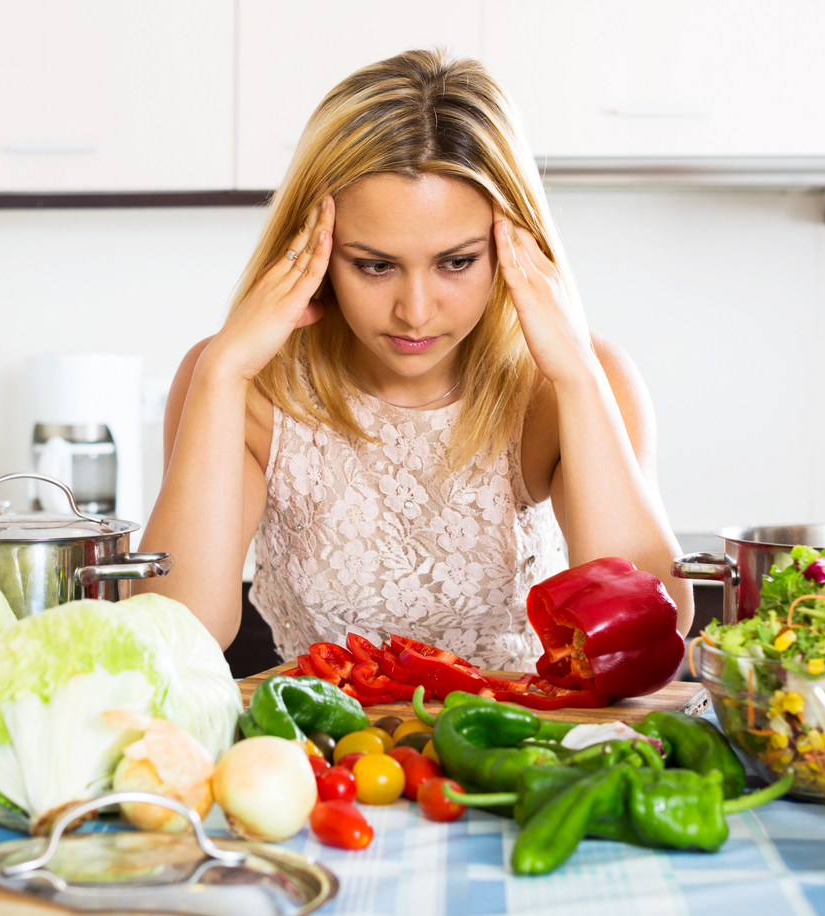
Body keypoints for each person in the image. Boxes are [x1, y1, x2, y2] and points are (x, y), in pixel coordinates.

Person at [136, 49, 693, 671]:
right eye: (374, 265)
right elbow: (176, 634)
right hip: (326, 758)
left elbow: (650, 627)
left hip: (515, 754)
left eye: (456, 262)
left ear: (512, 249)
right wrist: (221, 371)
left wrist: (578, 377)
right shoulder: (239, 386)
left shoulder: (576, 384)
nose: (416, 311)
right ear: (312, 250)